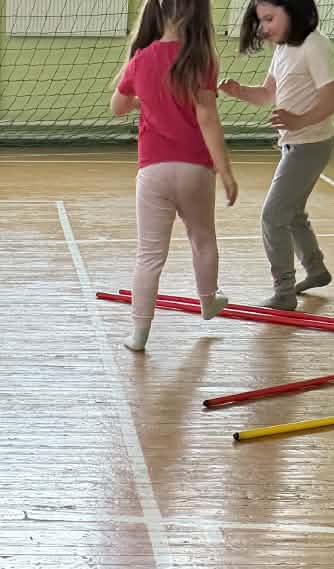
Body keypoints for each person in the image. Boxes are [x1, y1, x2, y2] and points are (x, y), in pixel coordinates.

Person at [110, 0, 239, 355]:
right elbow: (207, 117)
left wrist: (144, 100)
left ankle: (139, 333)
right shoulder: (202, 59)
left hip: (153, 171)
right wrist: (225, 170)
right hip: (195, 170)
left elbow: (117, 107)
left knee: (149, 255)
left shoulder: (140, 59)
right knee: (203, 239)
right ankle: (208, 300)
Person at [221, 0, 334, 311]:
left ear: (293, 10)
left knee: (273, 217)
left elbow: (331, 101)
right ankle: (316, 269)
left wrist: (298, 121)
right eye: (261, 21)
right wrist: (239, 91)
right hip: (296, 143)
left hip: (311, 144)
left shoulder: (314, 45)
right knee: (292, 212)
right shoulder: (283, 48)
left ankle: (284, 292)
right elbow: (266, 94)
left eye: (270, 19)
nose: (263, 27)